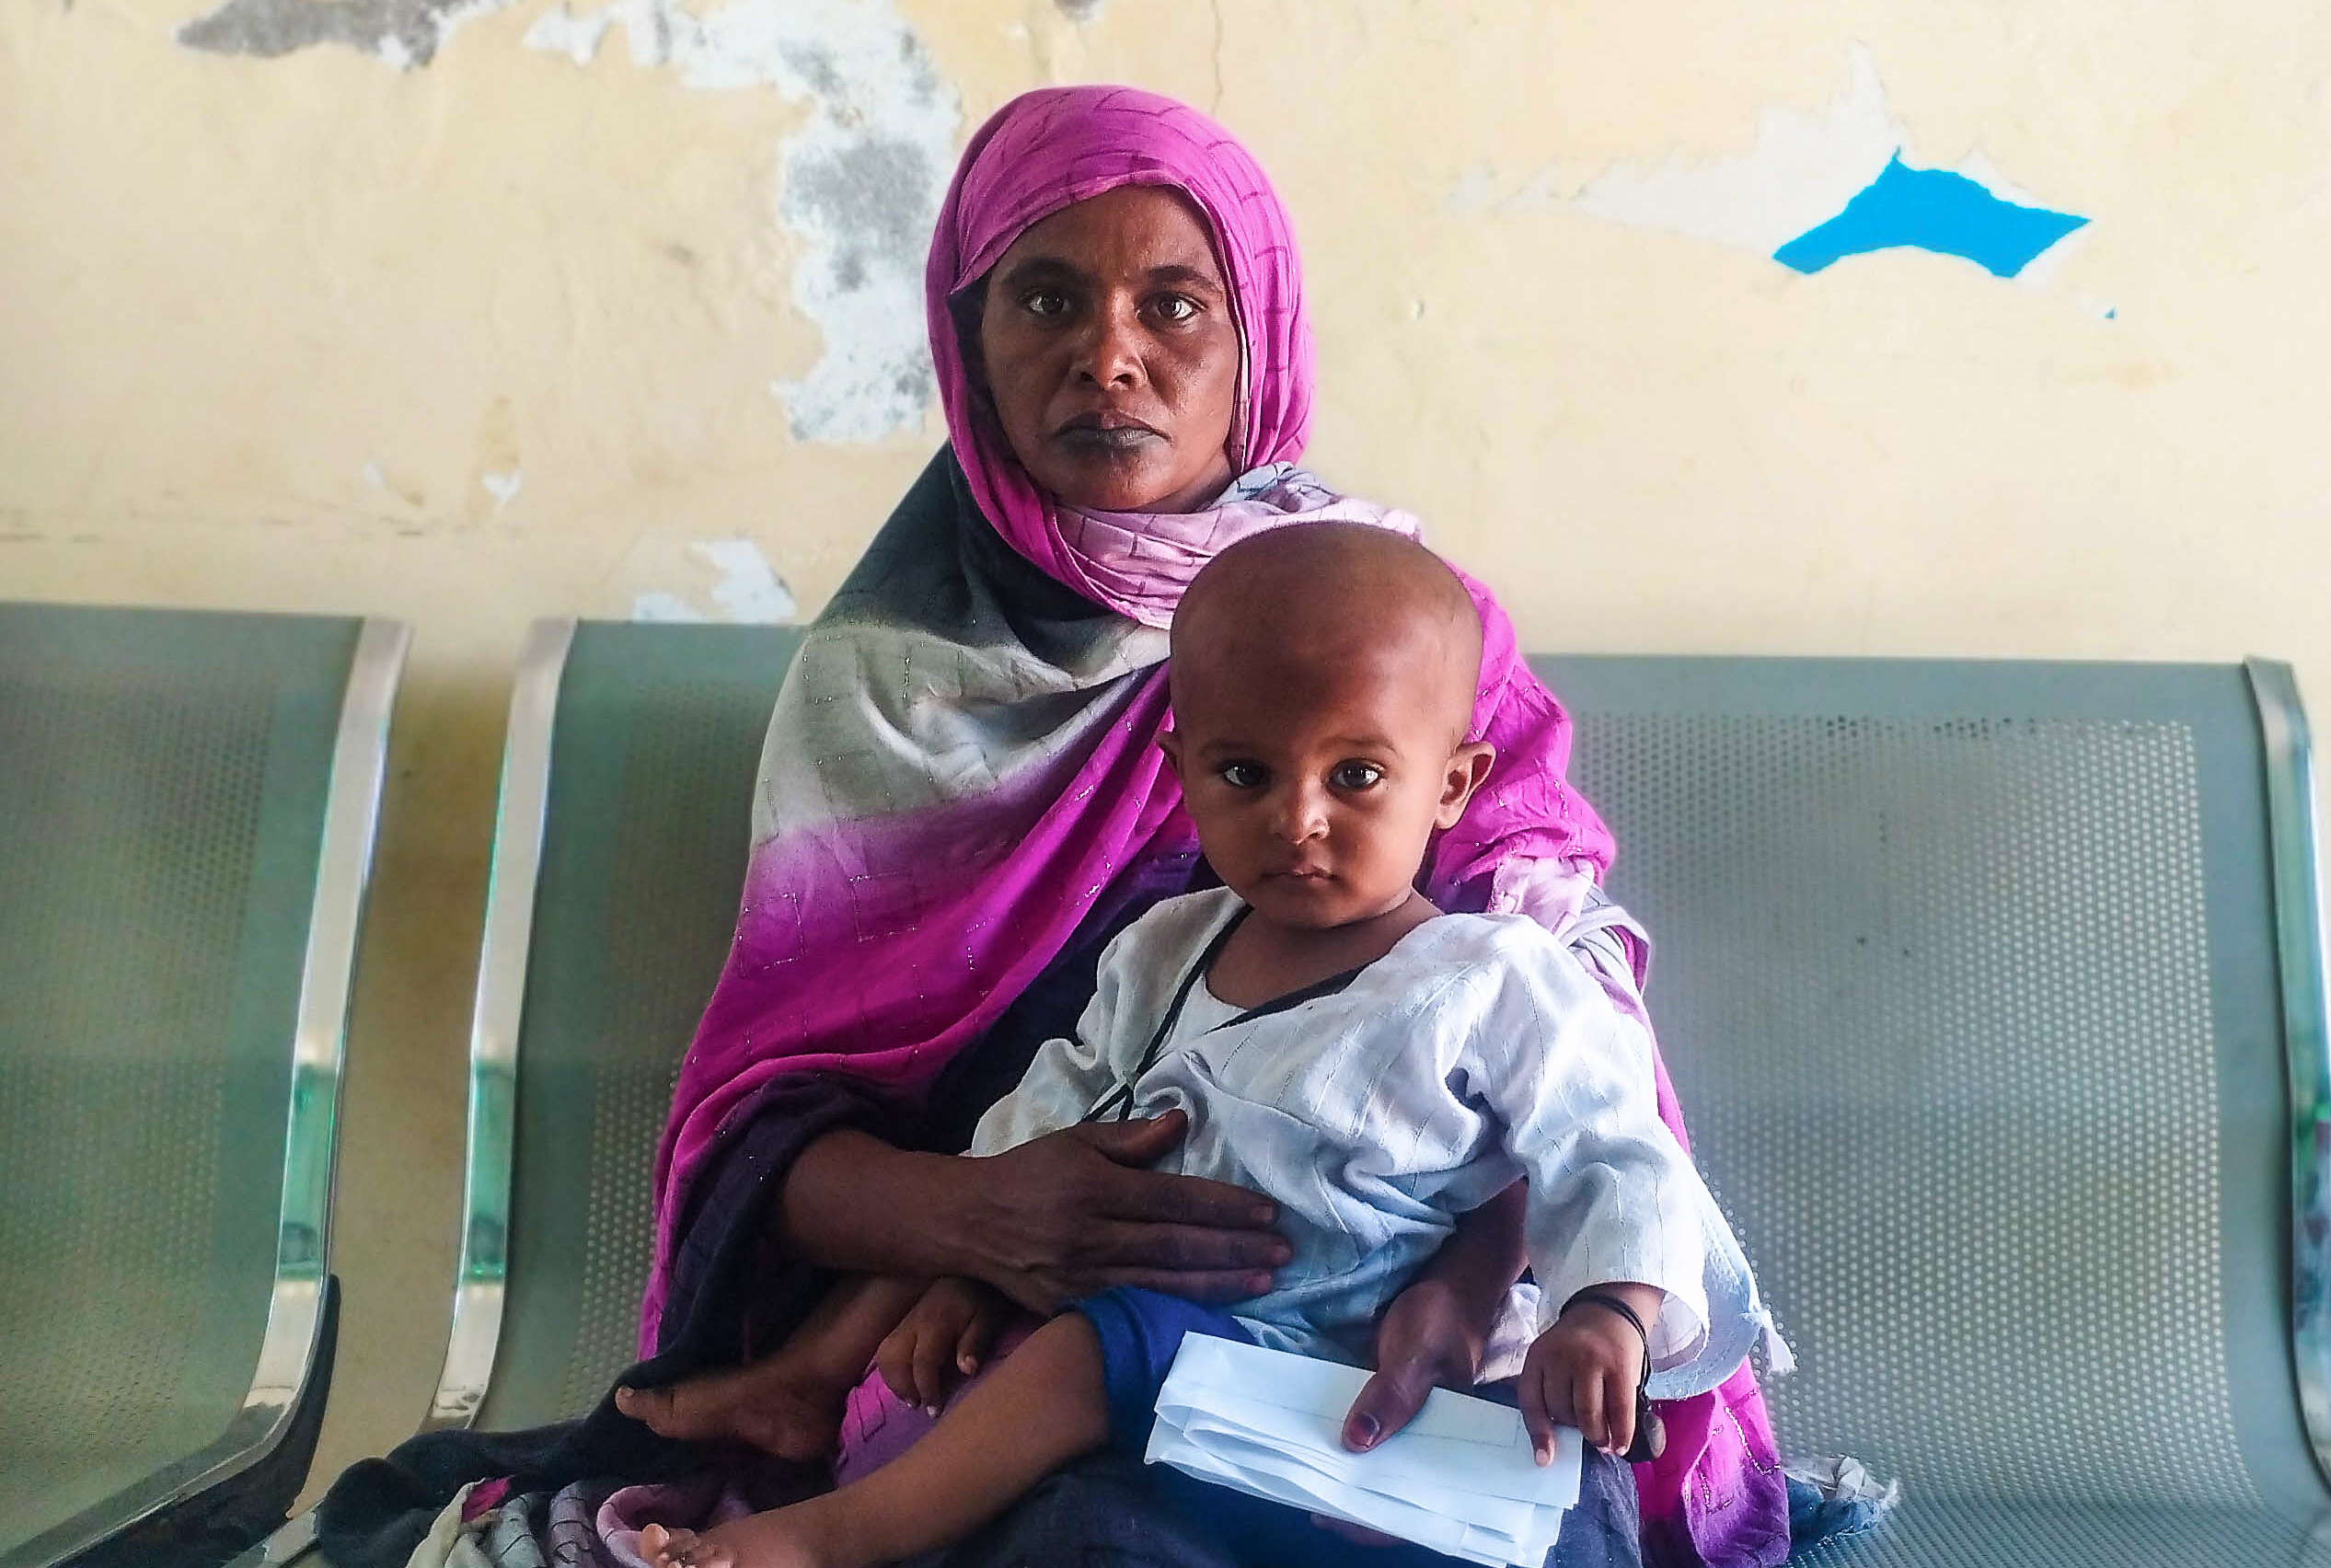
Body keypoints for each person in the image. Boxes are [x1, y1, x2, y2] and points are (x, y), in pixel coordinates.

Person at [313, 84, 1790, 1568]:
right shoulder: (889, 682)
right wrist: (980, 1224)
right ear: (967, 343)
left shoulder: (1407, 639)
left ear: (1259, 338)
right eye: (1045, 299)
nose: (1110, 356)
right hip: (1040, 1346)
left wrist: (1482, 1272)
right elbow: (772, 1137)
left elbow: (1577, 1068)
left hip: (1416, 1337)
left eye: (1176, 305)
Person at [633, 523, 1769, 1568]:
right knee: (1083, 1389)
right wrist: (969, 1268)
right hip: (1194, 1386)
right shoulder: (1162, 949)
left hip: (1410, 1397)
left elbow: (1615, 1152)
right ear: (1183, 777)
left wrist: (1606, 1313)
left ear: (1452, 785)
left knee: (1569, 1517)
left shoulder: (1495, 977)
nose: (1297, 818)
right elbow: (1061, 1106)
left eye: (1357, 776)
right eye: (1244, 774)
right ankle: (833, 1538)